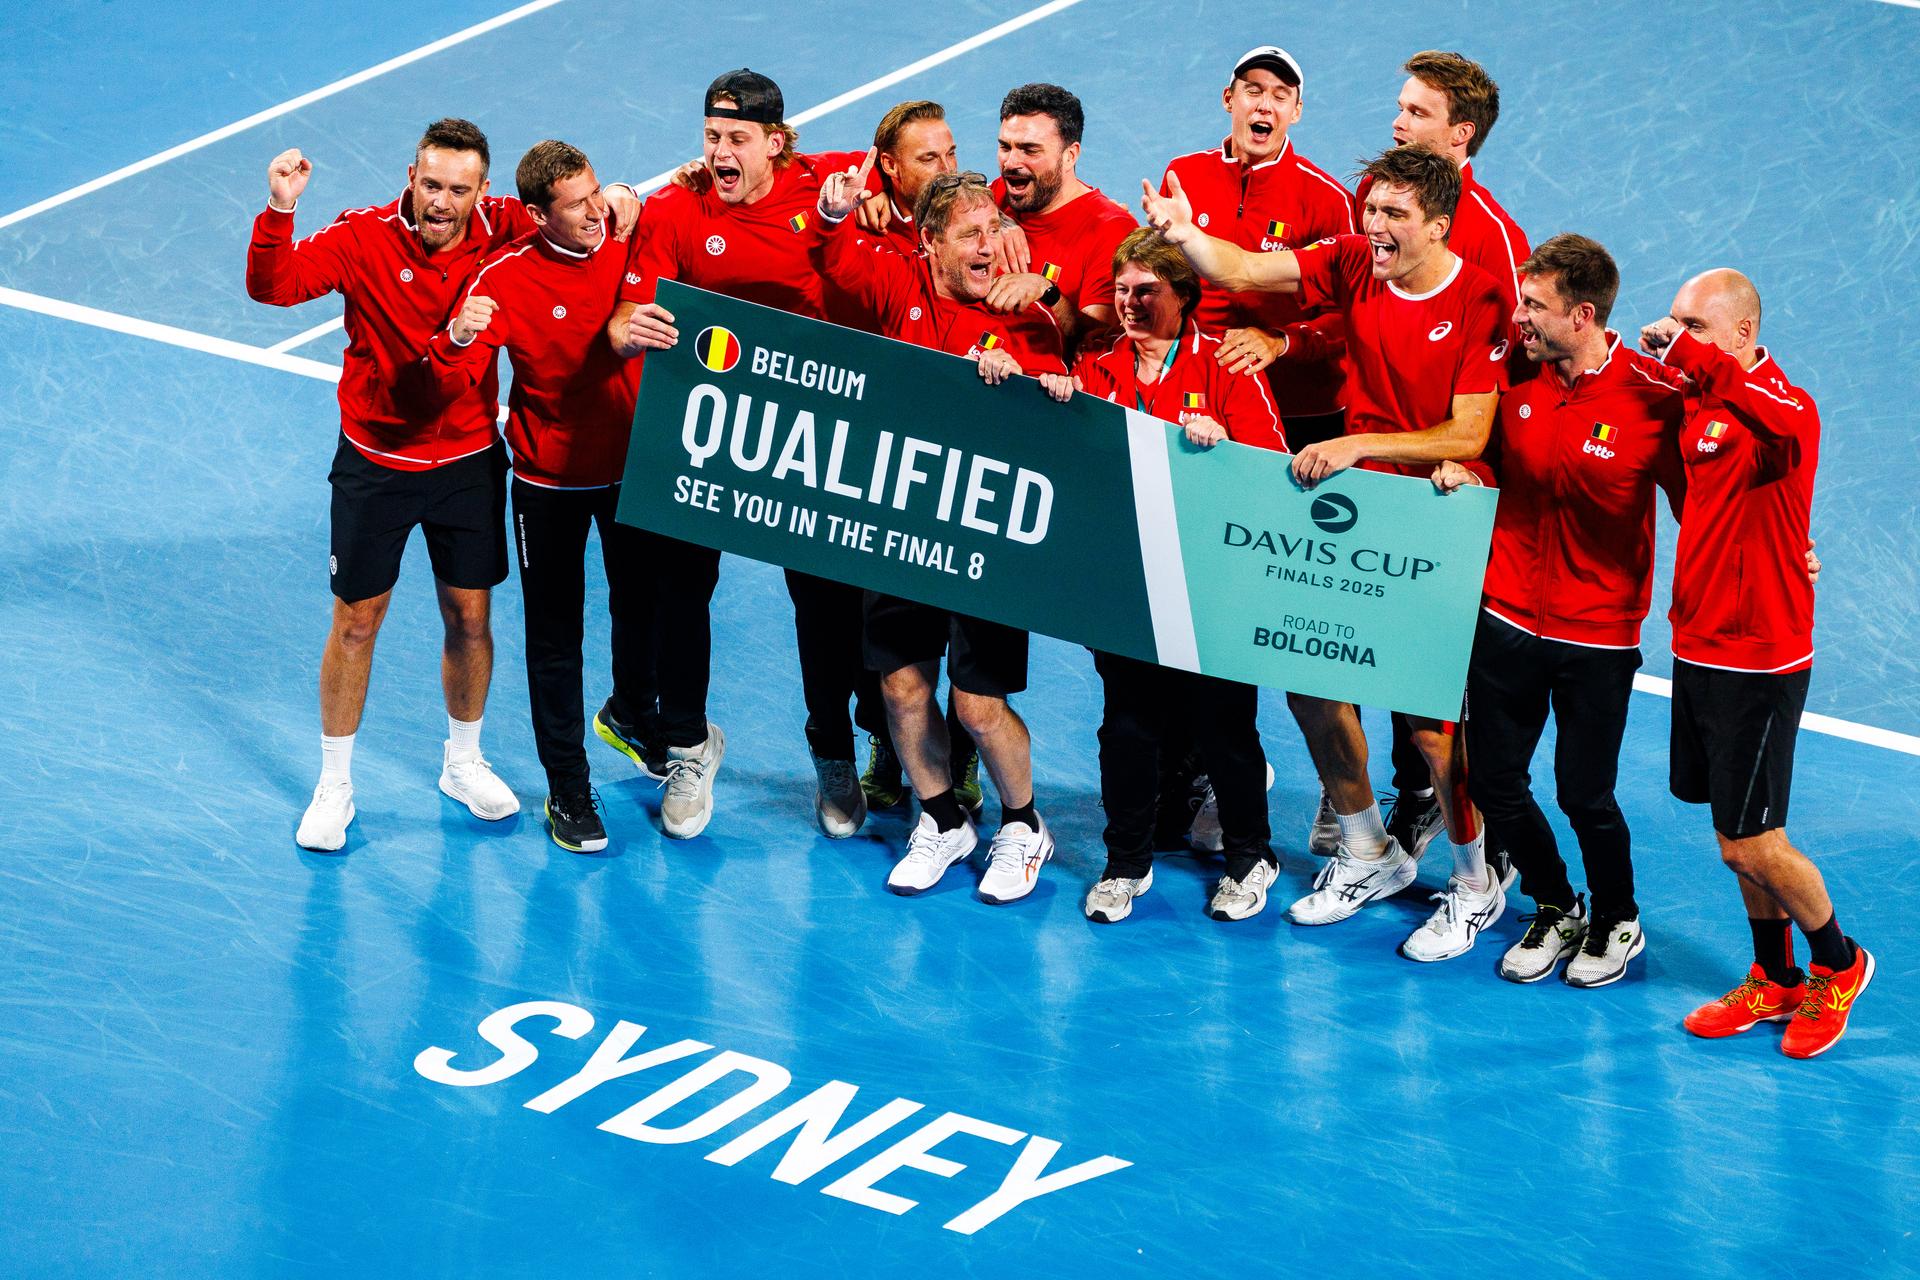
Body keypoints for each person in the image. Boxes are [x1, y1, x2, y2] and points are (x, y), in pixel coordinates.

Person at [1143, 143, 1509, 960]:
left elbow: (1471, 431)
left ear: (1438, 226)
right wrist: (1182, 232)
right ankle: (1368, 850)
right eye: (1371, 208)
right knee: (1314, 684)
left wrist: (1357, 442)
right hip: (1358, 507)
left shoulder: (1479, 298)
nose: (1372, 226)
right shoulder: (1351, 261)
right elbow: (1240, 263)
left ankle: (1476, 881)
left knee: (1431, 727)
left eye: (1393, 216)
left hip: (1432, 515)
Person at [246, 119, 636, 852]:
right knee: (357, 622)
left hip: (467, 463)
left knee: (470, 619)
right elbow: (273, 286)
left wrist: (623, 195)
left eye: (459, 189)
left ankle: (462, 761)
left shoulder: (505, 228)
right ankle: (335, 783)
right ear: (411, 176)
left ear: (482, 193)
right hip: (376, 461)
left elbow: (586, 209)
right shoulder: (360, 237)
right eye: (431, 185)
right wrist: (280, 209)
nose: (442, 202)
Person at [604, 68, 882, 840]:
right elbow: (629, 310)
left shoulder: (830, 181)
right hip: (708, 432)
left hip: (809, 441)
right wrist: (633, 329)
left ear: (776, 143)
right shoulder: (675, 208)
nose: (720, 154)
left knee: (825, 608)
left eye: (736, 140)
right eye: (710, 139)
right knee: (679, 592)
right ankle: (690, 746)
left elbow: (917, 163)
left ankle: (832, 752)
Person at [811, 159, 1072, 904]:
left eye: (994, 229)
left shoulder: (1025, 313)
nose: (990, 245)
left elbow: (1059, 412)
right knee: (900, 688)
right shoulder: (899, 283)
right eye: (969, 235)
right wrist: (832, 216)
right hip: (903, 523)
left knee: (976, 707)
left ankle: (1023, 825)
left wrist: (1016, 374)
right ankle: (942, 819)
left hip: (987, 538)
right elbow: (833, 270)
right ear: (930, 244)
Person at [1433, 234, 1687, 984]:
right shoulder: (1517, 380)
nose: (1519, 318)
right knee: (1495, 783)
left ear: (1583, 315)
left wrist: (1780, 549)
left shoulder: (1652, 399)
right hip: (1506, 620)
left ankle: (1616, 917)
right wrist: (1470, 469)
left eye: (1534, 306)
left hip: (1598, 638)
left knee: (1586, 793)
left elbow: (1702, 502)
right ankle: (1554, 904)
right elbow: (1494, 456)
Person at [1640, 270, 1874, 1058]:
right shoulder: (1698, 405)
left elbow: (1770, 423)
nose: (1680, 339)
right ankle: (1773, 976)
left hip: (1761, 659)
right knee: (1730, 833)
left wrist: (1692, 365)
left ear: (1741, 334)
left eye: (1696, 327)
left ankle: (1839, 963)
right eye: (1674, 323)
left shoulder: (1789, 407)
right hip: (1697, 647)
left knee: (1753, 842)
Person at [422, 140, 655, 853]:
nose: (593, 212)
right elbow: (447, 367)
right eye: (575, 203)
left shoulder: (625, 232)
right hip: (548, 484)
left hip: (632, 471)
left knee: (644, 610)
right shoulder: (506, 278)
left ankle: (629, 711)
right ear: (535, 215)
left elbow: (669, 192)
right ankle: (568, 788)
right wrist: (458, 335)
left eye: (595, 194)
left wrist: (626, 192)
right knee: (555, 640)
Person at [1072, 228, 1288, 922]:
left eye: (1146, 291)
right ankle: (1124, 863)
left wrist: (1225, 451)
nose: (1130, 303)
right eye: (1121, 290)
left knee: (1224, 727)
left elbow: (1273, 472)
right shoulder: (1096, 370)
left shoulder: (1228, 368)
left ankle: (1251, 859)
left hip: (1210, 585)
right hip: (1128, 582)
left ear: (1184, 295)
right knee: (1127, 728)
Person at [1161, 45, 1354, 450]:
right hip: (1200, 394)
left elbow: (1348, 321)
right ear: (1228, 98)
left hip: (1299, 404)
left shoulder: (1328, 199)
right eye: (1253, 91)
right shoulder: (1184, 177)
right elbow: (1164, 282)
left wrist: (1280, 341)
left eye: (1281, 96)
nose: (1266, 106)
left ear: (1296, 111)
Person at [993, 83, 1137, 356]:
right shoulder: (998, 196)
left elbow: (1100, 343)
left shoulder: (1110, 229)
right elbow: (938, 196)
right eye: (1005, 147)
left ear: (1069, 156)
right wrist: (996, 219)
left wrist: (1047, 293)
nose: (1011, 162)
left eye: (1029, 150)